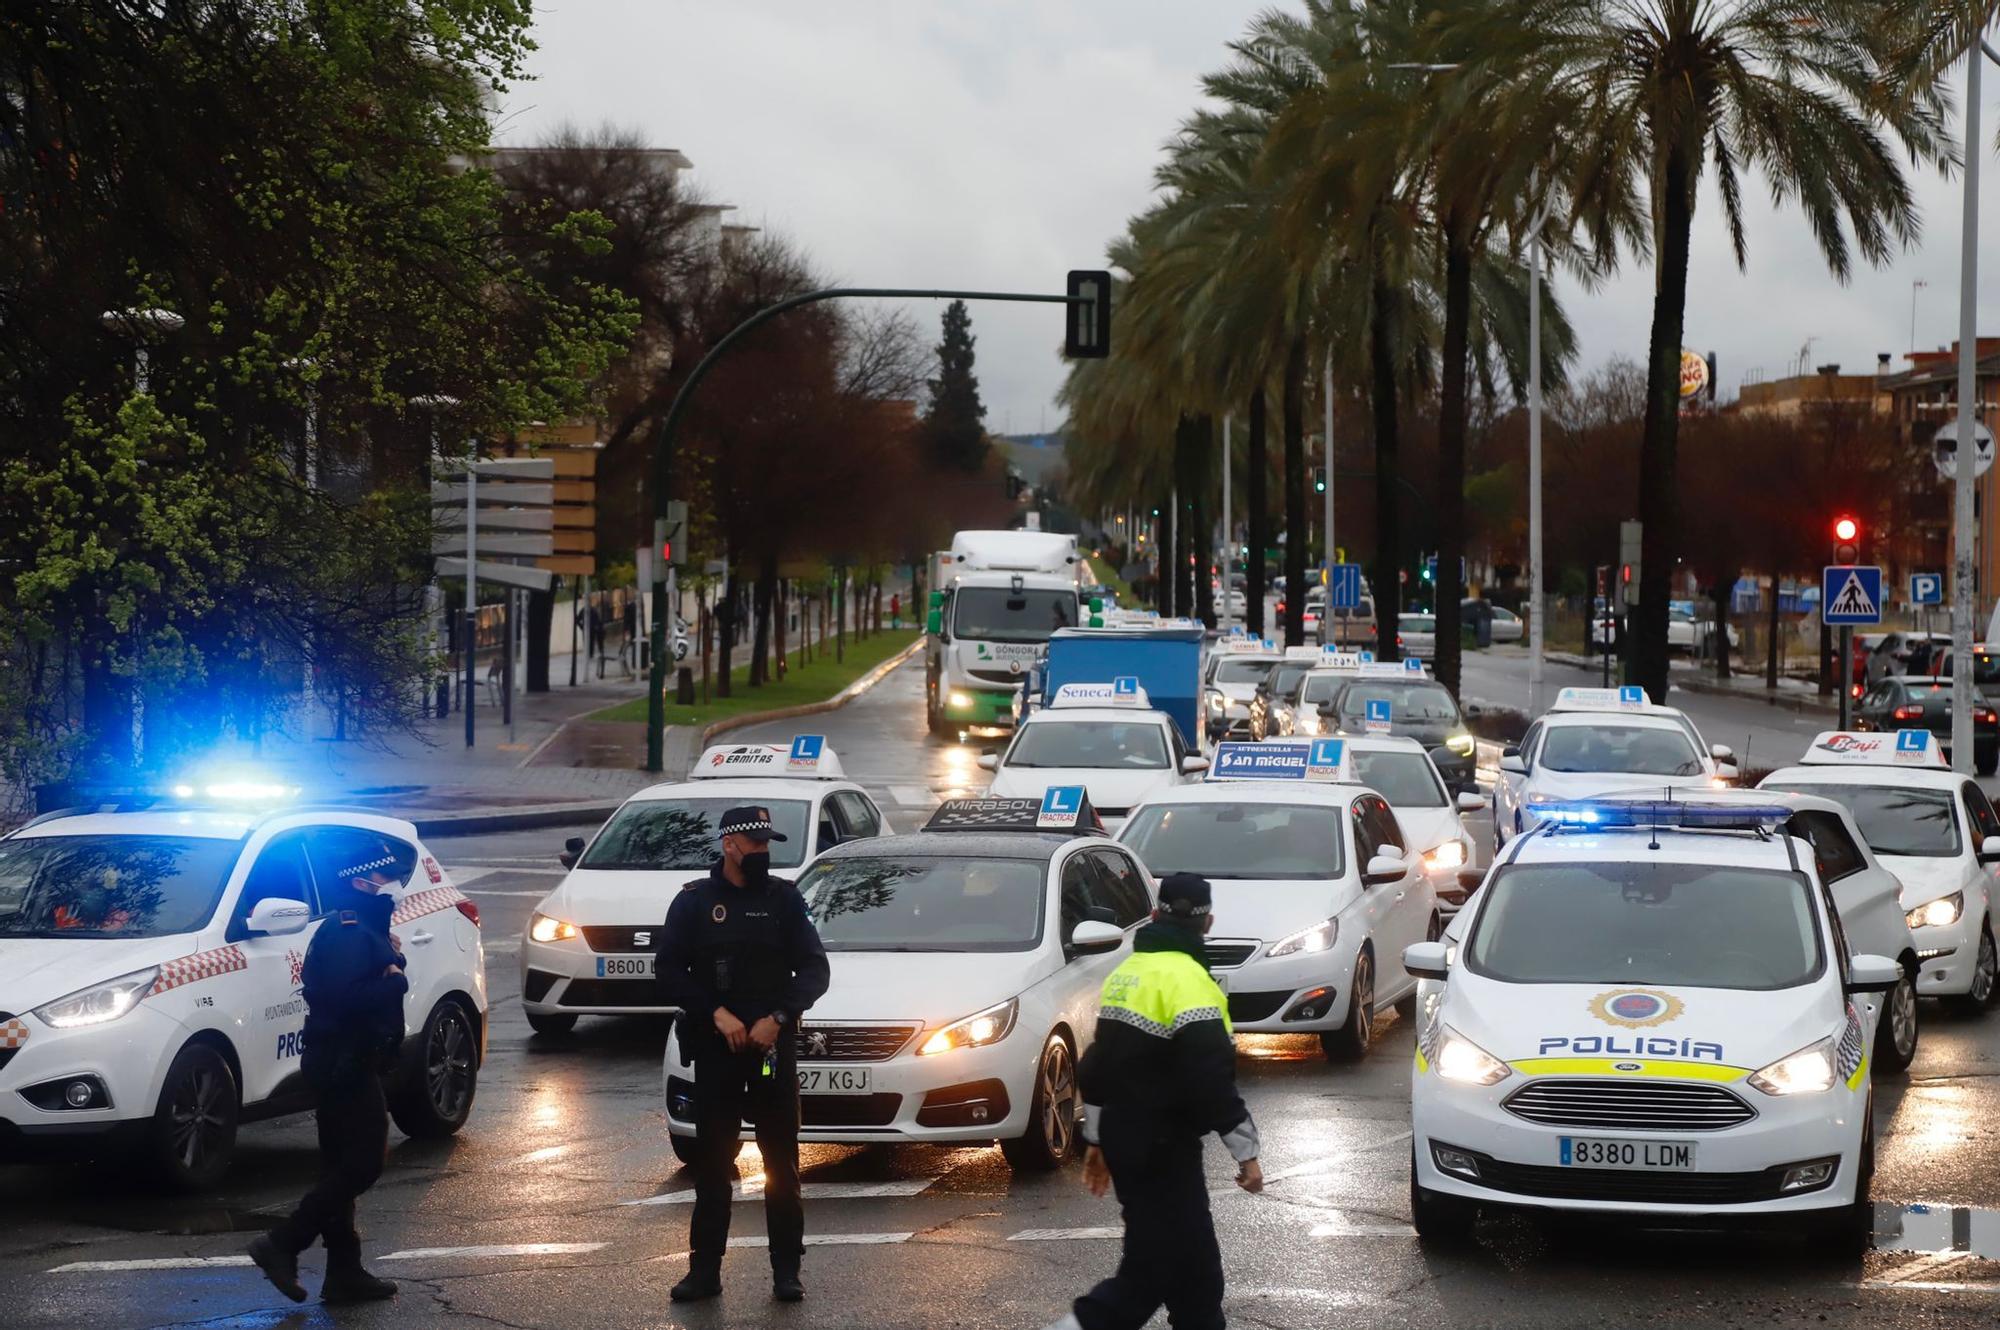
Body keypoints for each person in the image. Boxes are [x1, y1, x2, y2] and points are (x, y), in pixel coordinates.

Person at [1046, 872, 1261, 1330]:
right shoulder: (1192, 982)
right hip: (1163, 1146)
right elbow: (1211, 1077)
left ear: (1156, 914)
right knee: (1149, 1274)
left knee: (1197, 1274)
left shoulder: (1126, 975)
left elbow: (1098, 1068)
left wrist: (1098, 1141)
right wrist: (1246, 1152)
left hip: (1130, 1140)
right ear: (1207, 923)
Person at [656, 805, 830, 1305]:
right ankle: (704, 1272)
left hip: (771, 1050)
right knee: (713, 1167)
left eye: (766, 845)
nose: (763, 853)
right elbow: (668, 970)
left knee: (782, 1163)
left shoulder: (783, 900)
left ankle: (786, 1272)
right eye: (755, 844)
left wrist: (777, 1017)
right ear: (729, 844)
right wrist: (715, 1013)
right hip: (717, 1052)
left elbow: (815, 970)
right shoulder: (694, 902)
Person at [248, 845, 409, 1305]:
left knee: (340, 1166)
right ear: (361, 883)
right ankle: (283, 1242)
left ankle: (344, 1272)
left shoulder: (361, 927)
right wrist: (397, 979)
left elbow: (361, 980)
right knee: (362, 1164)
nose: (393, 885)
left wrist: (394, 964)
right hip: (346, 1062)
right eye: (384, 876)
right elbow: (345, 998)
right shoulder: (348, 930)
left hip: (346, 1059)